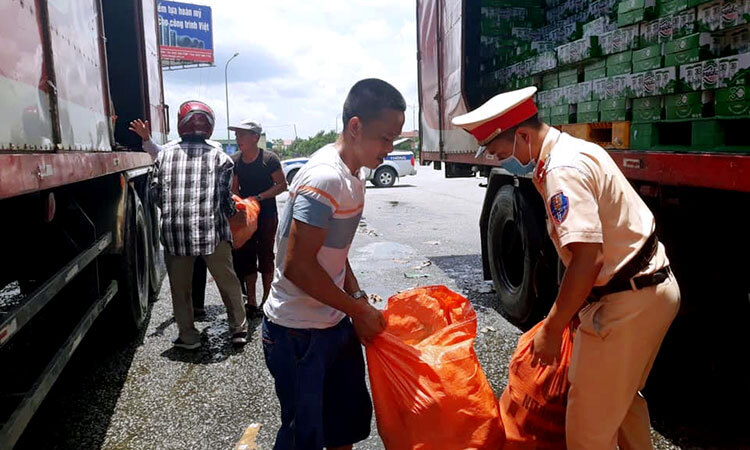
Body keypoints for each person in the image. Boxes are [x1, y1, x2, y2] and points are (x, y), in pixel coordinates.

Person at [452, 86, 681, 449]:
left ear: (523, 136)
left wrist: (553, 327)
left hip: (627, 301)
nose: (500, 161)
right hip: (645, 291)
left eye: (499, 152)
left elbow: (589, 260)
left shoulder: (562, 170)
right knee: (620, 404)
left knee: (587, 431)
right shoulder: (571, 150)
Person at [262, 79, 404, 449]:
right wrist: (358, 310)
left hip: (334, 323)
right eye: (385, 138)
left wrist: (356, 299)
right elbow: (297, 266)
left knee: (345, 427)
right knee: (303, 438)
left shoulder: (354, 174)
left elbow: (335, 253)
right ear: (355, 126)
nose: (390, 149)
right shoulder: (325, 177)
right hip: (297, 333)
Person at [149, 101, 248, 349]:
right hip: (213, 233)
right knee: (228, 283)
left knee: (180, 289)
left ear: (181, 125)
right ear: (210, 127)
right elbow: (225, 200)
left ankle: (188, 337)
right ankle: (238, 330)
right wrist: (235, 212)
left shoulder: (163, 156)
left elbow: (155, 195)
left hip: (176, 234)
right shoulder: (222, 158)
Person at [129, 118, 209, 320]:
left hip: (200, 218)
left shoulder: (213, 148)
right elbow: (156, 152)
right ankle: (186, 310)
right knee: (183, 267)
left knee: (198, 263)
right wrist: (146, 138)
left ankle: (197, 307)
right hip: (182, 218)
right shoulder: (172, 148)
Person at [227, 120, 287, 318]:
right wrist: (240, 203)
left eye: (242, 134)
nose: (238, 138)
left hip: (267, 214)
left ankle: (267, 299)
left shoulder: (269, 159)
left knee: (266, 255)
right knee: (246, 256)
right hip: (245, 216)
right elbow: (234, 188)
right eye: (237, 135)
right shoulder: (235, 161)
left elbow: (282, 185)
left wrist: (259, 197)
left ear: (255, 137)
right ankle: (251, 301)